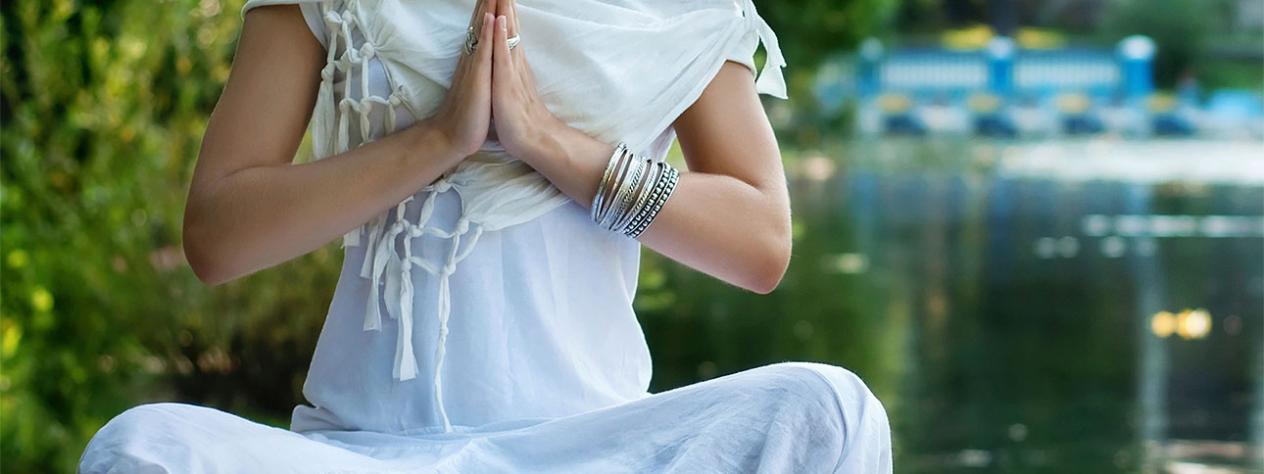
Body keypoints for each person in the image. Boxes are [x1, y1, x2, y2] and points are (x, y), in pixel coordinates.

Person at [78, 0, 893, 471]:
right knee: (140, 449)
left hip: (593, 447)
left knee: (832, 411)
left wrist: (551, 144)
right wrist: (436, 143)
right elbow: (218, 237)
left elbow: (760, 241)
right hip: (364, 454)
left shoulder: (671, 8)